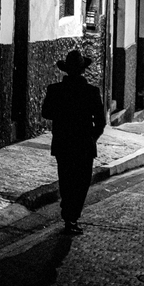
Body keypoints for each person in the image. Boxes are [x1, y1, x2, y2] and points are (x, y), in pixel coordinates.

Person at [41, 49, 107, 236]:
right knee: (81, 182)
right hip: (84, 145)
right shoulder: (91, 91)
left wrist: (62, 115)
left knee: (66, 180)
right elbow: (100, 122)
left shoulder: (55, 90)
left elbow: (46, 113)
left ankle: (68, 215)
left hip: (63, 143)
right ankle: (72, 217)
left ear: (66, 70)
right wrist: (91, 137)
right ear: (83, 70)